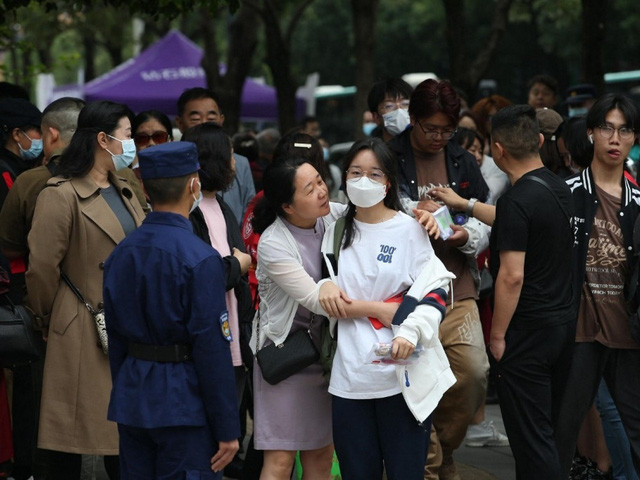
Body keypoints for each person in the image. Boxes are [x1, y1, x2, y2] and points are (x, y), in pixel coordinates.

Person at [103, 141, 240, 479]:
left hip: (134, 395)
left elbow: (115, 337)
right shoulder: (200, 258)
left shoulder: (122, 251)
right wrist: (227, 427)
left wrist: (125, 390)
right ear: (194, 185)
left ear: (145, 189)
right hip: (183, 403)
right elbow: (211, 349)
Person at [321, 138, 456, 480]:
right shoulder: (334, 230)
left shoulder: (410, 229)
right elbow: (328, 299)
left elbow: (435, 291)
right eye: (355, 172)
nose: (363, 181)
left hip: (401, 378)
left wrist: (405, 326)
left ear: (389, 183)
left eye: (374, 174)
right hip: (350, 379)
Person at [25, 100, 146, 480]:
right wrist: (46, 317)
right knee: (77, 439)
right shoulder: (59, 194)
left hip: (128, 326)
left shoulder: (125, 188)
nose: (132, 145)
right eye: (127, 136)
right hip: (81, 325)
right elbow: (42, 269)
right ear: (102, 139)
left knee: (123, 440)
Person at [389, 78, 490, 480]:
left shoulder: (463, 160)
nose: (438, 138)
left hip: (456, 285)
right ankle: (428, 463)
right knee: (410, 378)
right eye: (430, 128)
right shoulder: (389, 157)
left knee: (472, 373)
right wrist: (419, 211)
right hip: (404, 290)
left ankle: (442, 450)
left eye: (446, 130)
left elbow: (483, 217)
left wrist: (463, 233)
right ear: (411, 119)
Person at [556, 92, 640, 479]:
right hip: (580, 332)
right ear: (591, 132)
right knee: (562, 430)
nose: (614, 138)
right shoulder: (567, 194)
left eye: (624, 130)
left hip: (628, 332)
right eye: (606, 127)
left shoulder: (639, 201)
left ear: (634, 139)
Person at [489, 104, 575, 479]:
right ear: (539, 141)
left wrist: (497, 334)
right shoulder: (561, 188)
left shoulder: (515, 201)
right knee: (550, 432)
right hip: (565, 326)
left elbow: (511, 276)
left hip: (527, 334)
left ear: (497, 150)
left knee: (531, 440)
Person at [183, 123, 253, 477]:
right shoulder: (189, 212)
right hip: (208, 338)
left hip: (234, 337)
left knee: (228, 431)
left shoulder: (221, 206)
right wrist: (238, 265)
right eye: (229, 156)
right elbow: (203, 277)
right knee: (205, 440)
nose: (235, 165)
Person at [175, 87, 255, 225]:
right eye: (195, 119)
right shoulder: (173, 163)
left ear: (221, 120)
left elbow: (250, 210)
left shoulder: (240, 163)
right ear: (180, 123)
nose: (204, 124)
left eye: (211, 118)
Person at [367, 77, 413, 142]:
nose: (399, 109)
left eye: (405, 104)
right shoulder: (371, 151)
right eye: (389, 106)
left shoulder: (427, 148)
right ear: (376, 117)